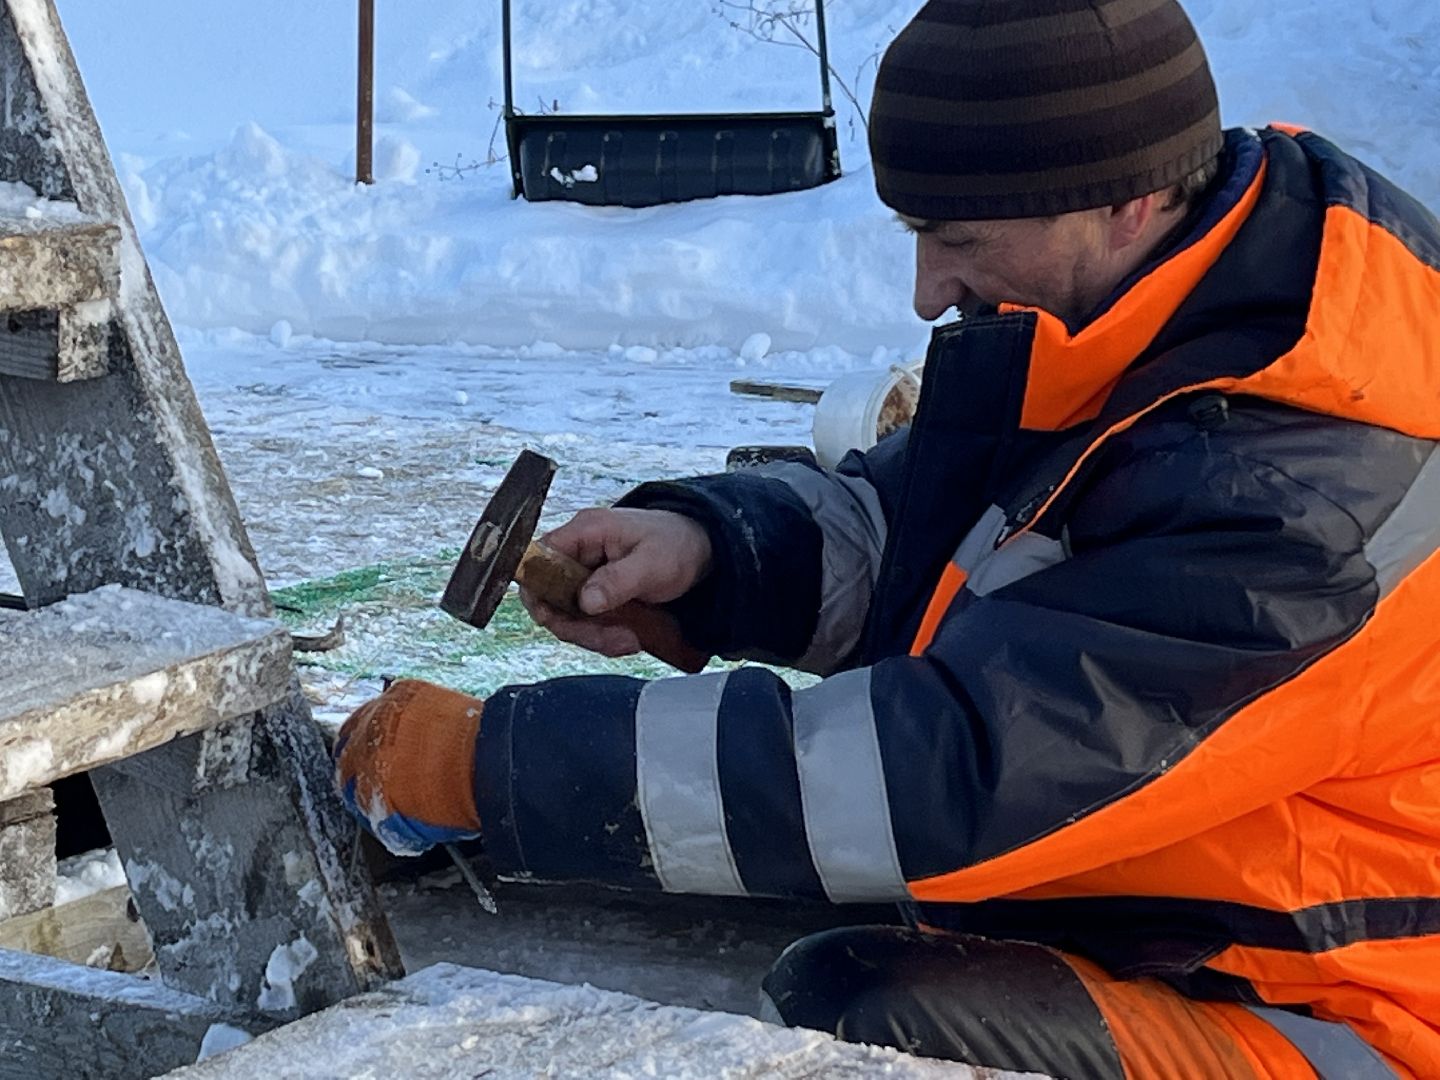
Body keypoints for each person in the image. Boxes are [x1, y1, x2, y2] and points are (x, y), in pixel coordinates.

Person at [333, 0, 1440, 1074]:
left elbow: (947, 774)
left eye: (954, 237)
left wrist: (492, 765)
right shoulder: (1175, 301)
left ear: (1126, 202)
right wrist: (715, 554)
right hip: (1146, 895)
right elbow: (913, 527)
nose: (926, 291)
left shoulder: (1301, 477)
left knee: (842, 1025)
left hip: (1327, 1007)